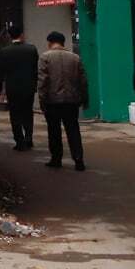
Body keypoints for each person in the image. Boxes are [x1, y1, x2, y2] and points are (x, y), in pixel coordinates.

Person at [39, 32, 89, 171]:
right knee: (73, 129)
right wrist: (84, 99)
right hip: (71, 101)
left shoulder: (45, 57)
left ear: (50, 42)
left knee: (54, 130)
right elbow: (83, 81)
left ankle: (56, 159)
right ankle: (78, 159)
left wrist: (42, 100)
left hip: (52, 101)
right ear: (63, 42)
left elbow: (43, 81)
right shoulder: (75, 58)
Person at [0, 24, 40, 151]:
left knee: (15, 114)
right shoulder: (31, 49)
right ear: (21, 35)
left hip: (12, 87)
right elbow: (35, 69)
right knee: (27, 112)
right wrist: (35, 84)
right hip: (28, 87)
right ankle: (29, 138)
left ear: (9, 36)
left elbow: (0, 72)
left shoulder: (4, 52)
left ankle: (19, 141)